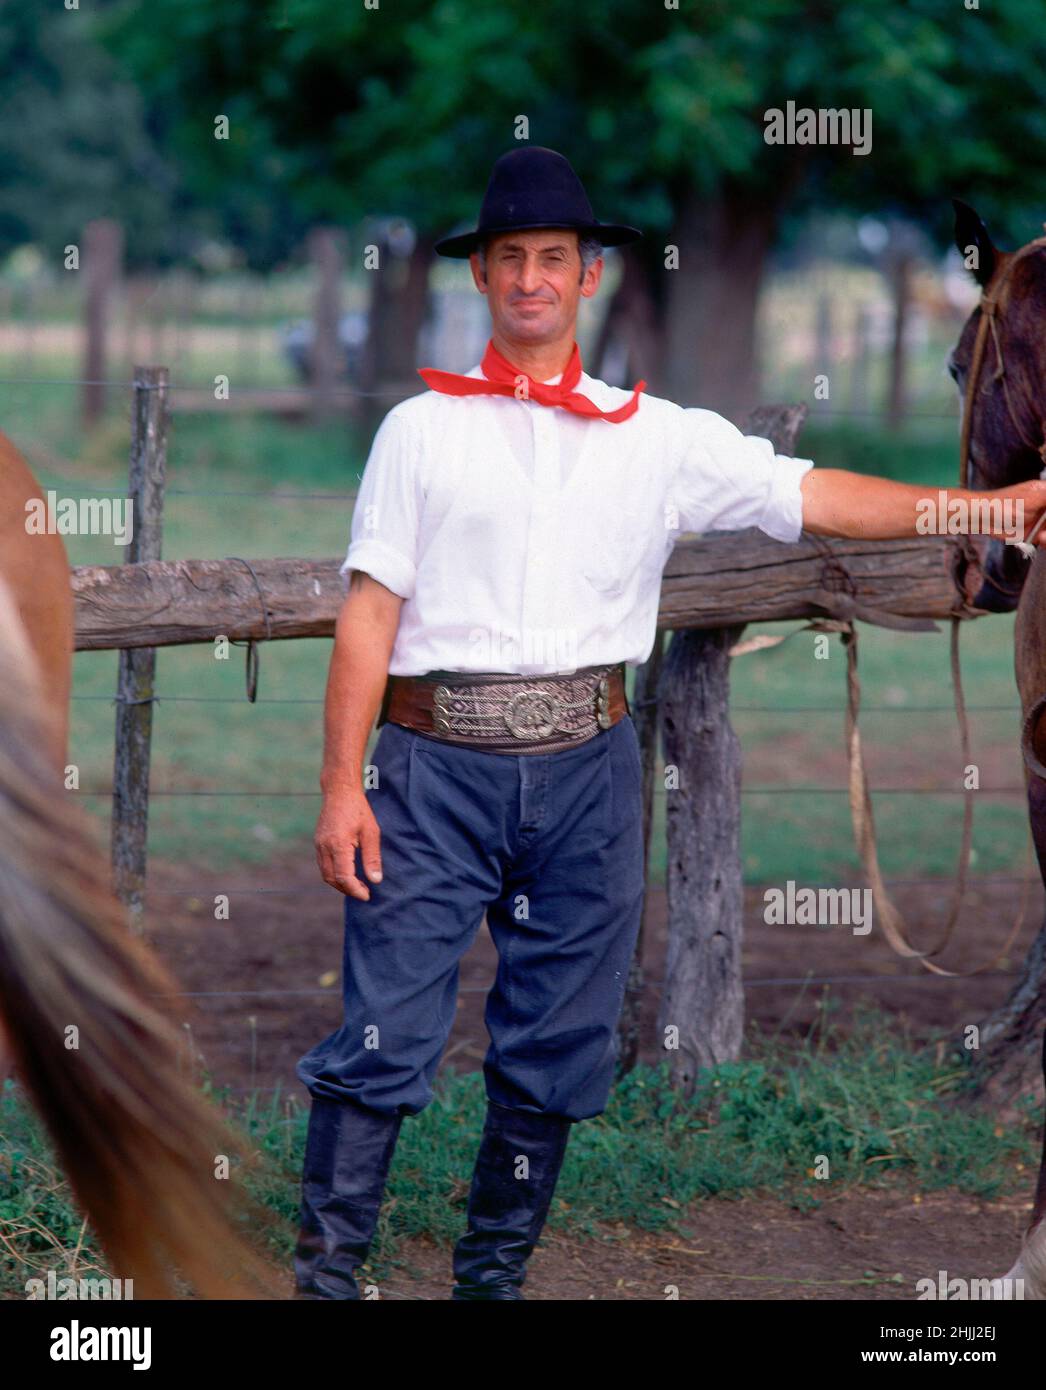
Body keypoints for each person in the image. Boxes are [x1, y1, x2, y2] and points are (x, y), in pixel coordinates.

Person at [293, 145, 1046, 1301]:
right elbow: (367, 615)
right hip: (431, 769)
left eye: (553, 257)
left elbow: (814, 498)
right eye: (510, 260)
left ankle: (488, 1282)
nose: (532, 278)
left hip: (589, 773)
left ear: (587, 276)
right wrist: (342, 786)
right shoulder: (419, 434)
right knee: (383, 1038)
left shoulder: (659, 439)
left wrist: (979, 506)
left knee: (553, 1047)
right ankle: (328, 1280)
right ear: (484, 279)